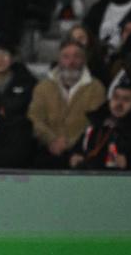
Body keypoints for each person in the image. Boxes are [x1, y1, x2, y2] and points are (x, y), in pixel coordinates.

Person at [28, 39, 107, 168]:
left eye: (77, 56)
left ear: (84, 60)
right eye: (66, 57)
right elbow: (35, 118)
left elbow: (95, 123)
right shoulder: (43, 87)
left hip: (83, 152)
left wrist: (69, 144)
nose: (71, 62)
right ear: (59, 60)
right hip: (47, 149)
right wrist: (51, 140)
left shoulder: (96, 88)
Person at [69, 80, 131, 170]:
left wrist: (129, 163)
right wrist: (75, 158)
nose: (119, 103)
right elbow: (77, 151)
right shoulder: (94, 129)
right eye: (116, 97)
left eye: (126, 99)